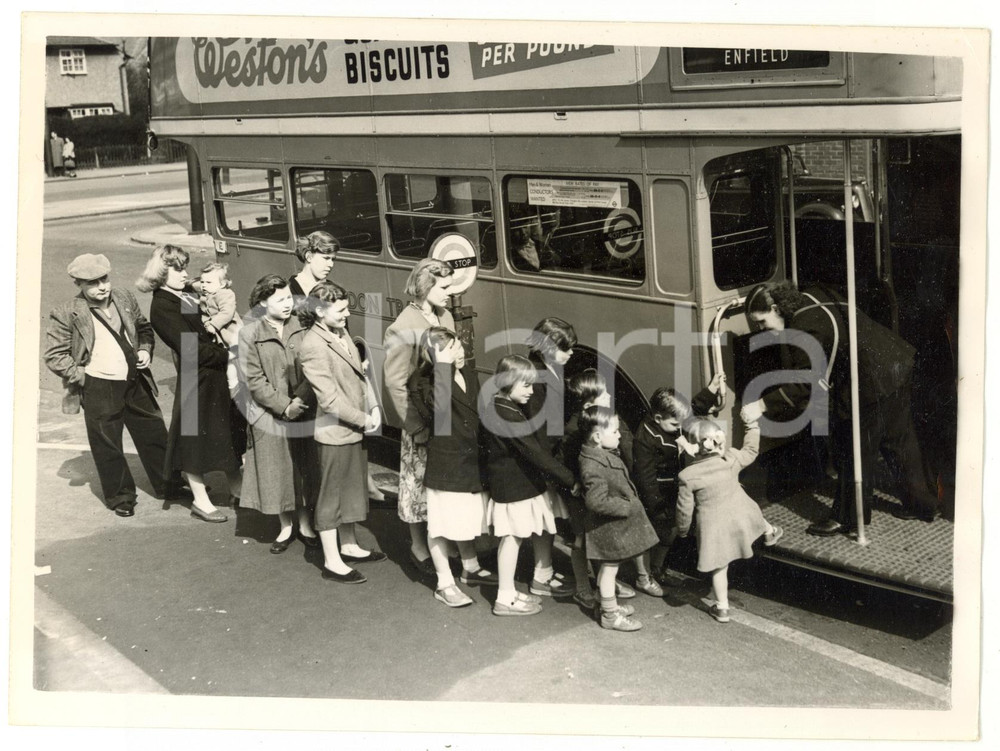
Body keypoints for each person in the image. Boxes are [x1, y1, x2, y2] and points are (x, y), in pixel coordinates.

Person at [742, 281, 939, 535]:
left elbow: (804, 385)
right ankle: (922, 505)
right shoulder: (811, 295)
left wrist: (760, 404)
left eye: (761, 322)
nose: (762, 330)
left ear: (777, 308)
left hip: (870, 380)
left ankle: (847, 518)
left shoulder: (805, 330)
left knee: (852, 447)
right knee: (899, 438)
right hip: (894, 362)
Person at [43, 253, 186, 516]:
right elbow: (54, 355)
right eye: (92, 283)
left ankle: (171, 486)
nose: (102, 286)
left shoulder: (123, 297)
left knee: (155, 434)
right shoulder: (67, 312)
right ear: (79, 285)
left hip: (135, 380)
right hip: (99, 386)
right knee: (107, 444)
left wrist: (144, 349)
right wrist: (83, 377)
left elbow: (143, 328)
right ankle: (121, 498)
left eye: (104, 279)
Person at [138, 244, 242, 522]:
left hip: (212, 374)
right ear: (161, 272)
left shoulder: (183, 295)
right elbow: (192, 350)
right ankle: (201, 499)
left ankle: (238, 489)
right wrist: (229, 353)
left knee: (225, 433)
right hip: (196, 378)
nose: (185, 274)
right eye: (178, 269)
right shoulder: (162, 307)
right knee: (193, 441)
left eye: (184, 267)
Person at [298, 282, 384, 584]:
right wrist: (364, 418)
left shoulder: (340, 332)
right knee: (330, 498)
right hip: (335, 433)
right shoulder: (312, 346)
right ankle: (332, 561)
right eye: (342, 310)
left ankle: (349, 546)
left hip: (354, 428)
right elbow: (329, 400)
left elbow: (361, 377)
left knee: (351, 490)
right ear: (320, 312)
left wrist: (373, 407)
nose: (348, 315)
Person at [482, 355, 578, 616]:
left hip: (513, 486)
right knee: (512, 539)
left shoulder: (499, 405)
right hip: (513, 489)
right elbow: (534, 452)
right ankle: (504, 597)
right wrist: (571, 480)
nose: (531, 391)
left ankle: (509, 593)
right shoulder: (507, 414)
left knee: (514, 538)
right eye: (525, 385)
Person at [408, 327, 497, 607]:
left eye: (458, 346)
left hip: (471, 461)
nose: (459, 353)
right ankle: (444, 583)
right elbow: (440, 416)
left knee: (466, 520)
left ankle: (470, 567)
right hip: (447, 464)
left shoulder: (469, 374)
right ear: (433, 355)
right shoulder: (421, 382)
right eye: (450, 350)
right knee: (441, 526)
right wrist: (443, 368)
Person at [383, 258, 456, 574]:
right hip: (421, 421)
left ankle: (441, 541)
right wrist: (414, 426)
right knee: (417, 487)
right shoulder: (403, 326)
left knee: (441, 485)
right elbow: (395, 382)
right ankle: (418, 547)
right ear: (426, 286)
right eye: (444, 287)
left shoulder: (445, 315)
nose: (450, 293)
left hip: (445, 416)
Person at [236, 274, 318, 553]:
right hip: (269, 413)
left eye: (289, 299)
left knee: (304, 468)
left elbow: (313, 368)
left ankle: (306, 523)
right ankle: (286, 526)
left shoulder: (303, 326)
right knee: (277, 469)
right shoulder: (249, 333)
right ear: (262, 302)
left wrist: (299, 401)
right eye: (280, 299)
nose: (287, 304)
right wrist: (284, 405)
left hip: (304, 409)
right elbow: (253, 379)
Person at [675, 414, 783, 624]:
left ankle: (722, 608)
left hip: (714, 528)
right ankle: (769, 533)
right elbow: (751, 451)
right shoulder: (730, 459)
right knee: (751, 506)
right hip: (742, 516)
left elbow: (684, 509)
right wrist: (752, 426)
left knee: (719, 567)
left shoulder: (687, 476)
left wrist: (682, 530)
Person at [577, 406, 660, 632]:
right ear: (597, 437)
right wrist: (627, 506)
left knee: (608, 570)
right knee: (608, 571)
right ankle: (610, 615)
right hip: (608, 530)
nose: (620, 435)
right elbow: (596, 501)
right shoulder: (593, 464)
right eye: (615, 431)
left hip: (611, 528)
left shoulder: (599, 455)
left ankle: (605, 605)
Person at [633, 378, 723, 579]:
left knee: (670, 532)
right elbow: (645, 477)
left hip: (672, 489)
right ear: (657, 418)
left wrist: (711, 390)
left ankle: (657, 568)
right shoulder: (645, 439)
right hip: (657, 496)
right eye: (675, 424)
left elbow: (693, 409)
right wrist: (656, 507)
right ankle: (645, 575)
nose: (680, 427)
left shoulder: (671, 423)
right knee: (654, 534)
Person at [522, 317, 579, 598]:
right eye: (565, 348)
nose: (571, 353)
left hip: (549, 458)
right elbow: (538, 428)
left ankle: (543, 571)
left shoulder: (550, 369)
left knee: (546, 521)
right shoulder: (537, 376)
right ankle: (540, 577)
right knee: (543, 520)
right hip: (543, 461)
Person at [198, 263, 242, 397]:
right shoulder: (206, 295)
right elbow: (205, 313)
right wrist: (205, 323)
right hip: (219, 333)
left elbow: (227, 312)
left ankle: (234, 383)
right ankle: (231, 383)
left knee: (233, 358)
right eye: (202, 281)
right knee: (227, 358)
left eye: (209, 282)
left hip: (230, 330)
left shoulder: (225, 294)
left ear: (222, 284)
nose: (204, 285)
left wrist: (213, 324)